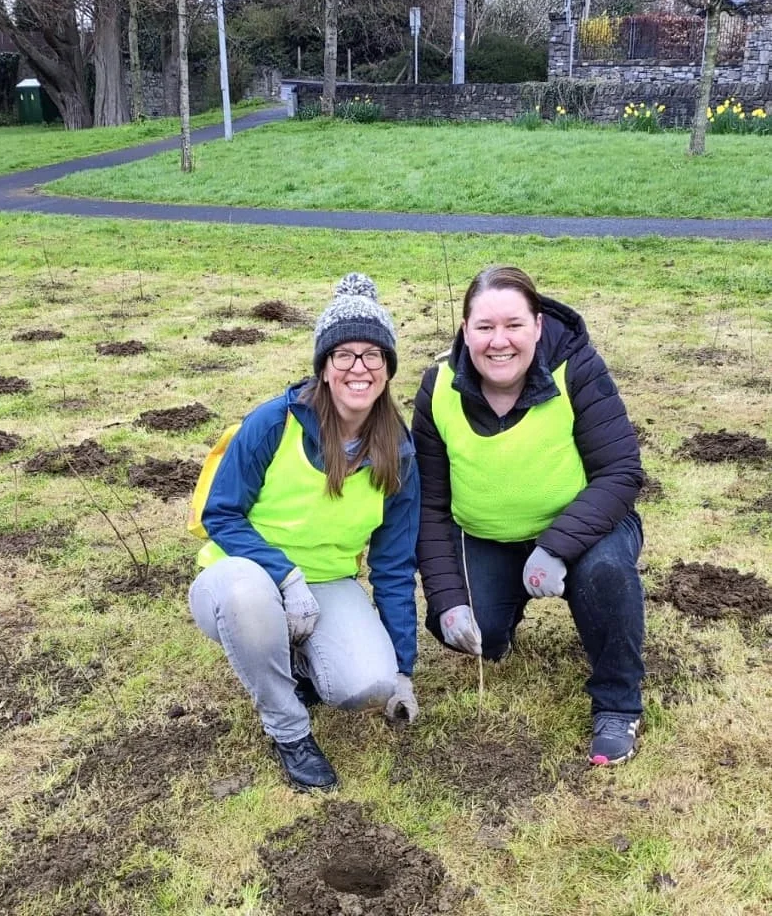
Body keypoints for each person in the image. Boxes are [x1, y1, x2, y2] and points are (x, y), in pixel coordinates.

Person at [189, 273, 420, 793]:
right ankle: (289, 729)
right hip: (239, 576)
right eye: (344, 355)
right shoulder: (274, 422)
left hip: (329, 583)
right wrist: (285, 577)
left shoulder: (399, 451)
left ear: (388, 367)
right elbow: (221, 514)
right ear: (323, 364)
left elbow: (393, 564)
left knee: (369, 683)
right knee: (251, 599)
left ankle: (299, 658)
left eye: (373, 355)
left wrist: (403, 668)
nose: (358, 368)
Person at [413, 265, 645, 765]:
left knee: (604, 577)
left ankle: (617, 702)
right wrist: (449, 600)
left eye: (514, 325)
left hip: (585, 533)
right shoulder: (437, 388)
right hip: (487, 535)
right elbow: (430, 506)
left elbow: (621, 471)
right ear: (465, 330)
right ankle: (503, 618)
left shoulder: (576, 368)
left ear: (538, 326)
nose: (500, 341)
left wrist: (556, 547)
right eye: (485, 327)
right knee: (474, 632)